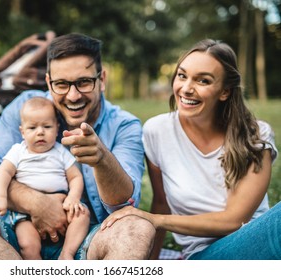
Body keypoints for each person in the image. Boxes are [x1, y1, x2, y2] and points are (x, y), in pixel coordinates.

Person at [0, 33, 155, 260]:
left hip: (87, 240)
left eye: (84, 82)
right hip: (16, 234)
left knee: (138, 228)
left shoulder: (124, 125)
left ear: (102, 80)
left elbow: (125, 207)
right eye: (61, 84)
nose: (73, 95)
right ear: (49, 82)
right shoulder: (26, 107)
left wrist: (102, 160)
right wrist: (37, 204)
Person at [101, 39, 280, 260]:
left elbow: (235, 220)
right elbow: (161, 203)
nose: (186, 89)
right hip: (204, 256)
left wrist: (154, 219)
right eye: (182, 76)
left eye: (203, 80)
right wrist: (153, 265)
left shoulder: (256, 135)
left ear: (224, 92)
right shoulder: (157, 131)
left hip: (257, 244)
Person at [0, 97, 89, 260]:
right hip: (25, 213)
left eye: (47, 126)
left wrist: (73, 197)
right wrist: (0, 197)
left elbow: (75, 177)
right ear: (22, 132)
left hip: (62, 204)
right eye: (32, 127)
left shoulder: (60, 152)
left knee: (82, 215)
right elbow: (4, 173)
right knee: (28, 244)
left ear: (57, 129)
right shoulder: (18, 151)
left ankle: (67, 254)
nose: (40, 132)